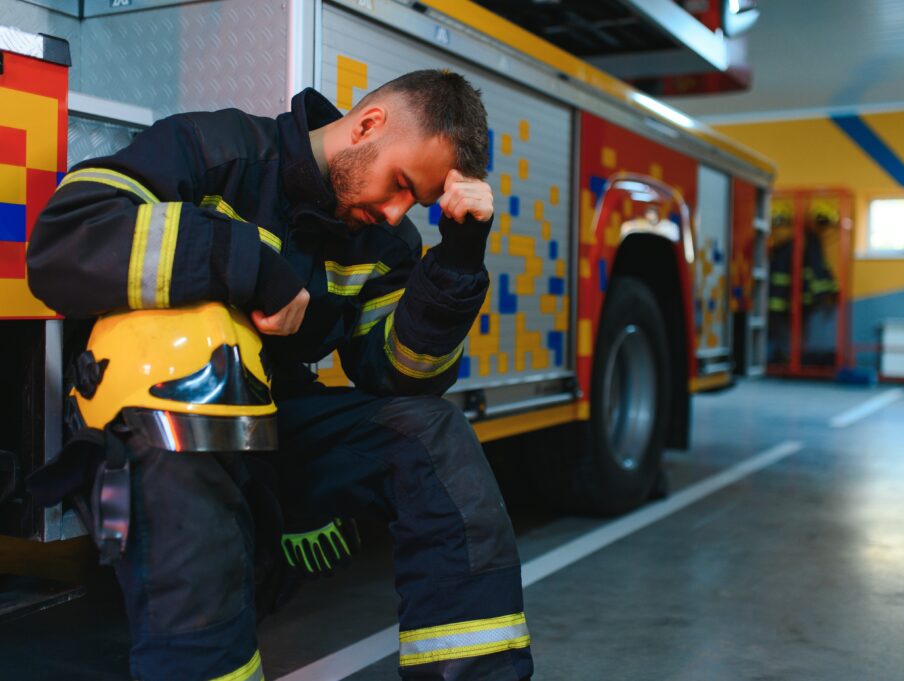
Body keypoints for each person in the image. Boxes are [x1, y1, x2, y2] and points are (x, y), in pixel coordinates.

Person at [26, 70, 533, 681]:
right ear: (368, 125)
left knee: (433, 433)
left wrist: (456, 259)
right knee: (197, 411)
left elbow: (402, 375)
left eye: (416, 203)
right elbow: (66, 239)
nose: (398, 212)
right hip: (151, 428)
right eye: (399, 184)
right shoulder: (216, 150)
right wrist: (244, 263)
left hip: (263, 427)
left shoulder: (383, 240)